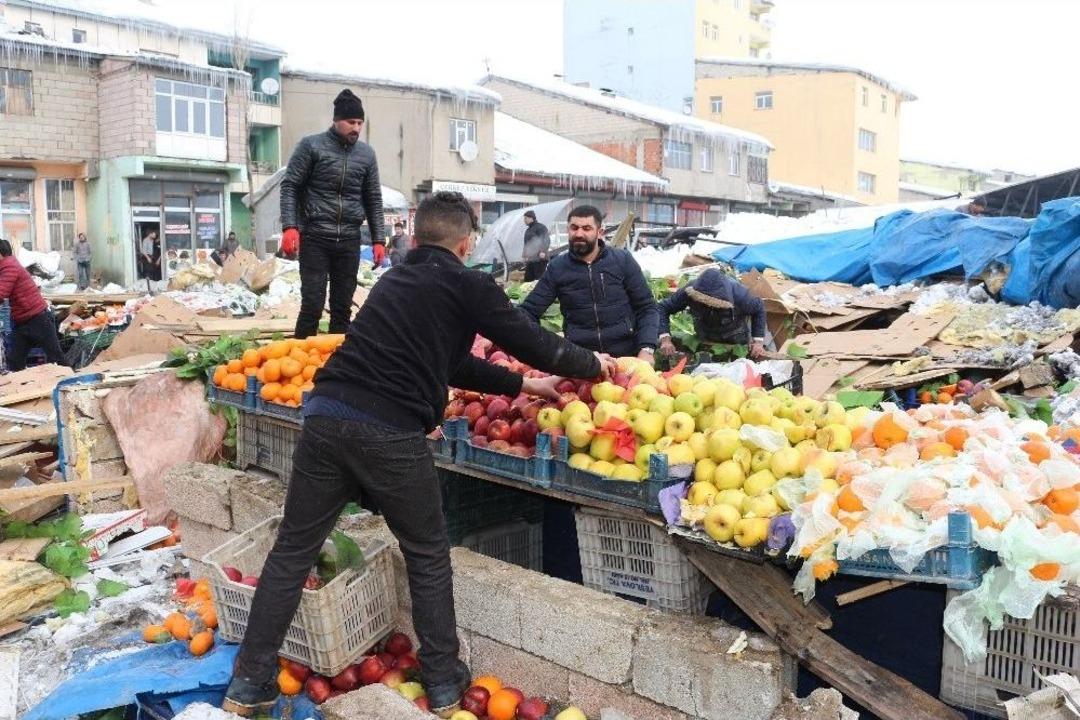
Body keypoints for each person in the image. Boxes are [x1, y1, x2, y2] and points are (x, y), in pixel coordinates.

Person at [221, 192, 613, 717]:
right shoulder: (468, 284)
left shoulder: (394, 282)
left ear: (419, 235)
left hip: (325, 416)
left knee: (293, 550)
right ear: (466, 243)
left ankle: (249, 683)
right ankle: (445, 685)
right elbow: (532, 340)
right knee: (427, 554)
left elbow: (452, 364)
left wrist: (526, 385)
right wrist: (592, 364)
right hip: (387, 429)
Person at [280, 88, 386, 338]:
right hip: (315, 237)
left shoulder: (367, 155)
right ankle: (298, 354)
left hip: (349, 239)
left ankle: (338, 357)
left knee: (342, 308)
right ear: (337, 120)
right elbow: (290, 185)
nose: (356, 128)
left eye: (359, 123)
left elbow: (373, 198)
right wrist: (290, 226)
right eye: (351, 122)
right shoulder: (311, 146)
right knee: (312, 305)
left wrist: (379, 239)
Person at [520, 205, 659, 362]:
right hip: (582, 360)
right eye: (574, 228)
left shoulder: (622, 261)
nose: (579, 234)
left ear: (600, 232)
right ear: (568, 230)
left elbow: (647, 307)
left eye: (587, 228)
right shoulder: (557, 268)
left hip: (625, 357)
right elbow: (529, 310)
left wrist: (646, 349)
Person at [658, 268, 769, 360]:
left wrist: (758, 342)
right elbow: (663, 307)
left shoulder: (740, 295)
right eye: (703, 303)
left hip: (735, 338)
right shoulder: (689, 291)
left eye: (714, 305)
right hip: (705, 337)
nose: (709, 307)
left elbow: (759, 309)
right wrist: (665, 339)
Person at [0, 239, 66, 370]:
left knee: (57, 358)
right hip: (23, 322)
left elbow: (1, 293)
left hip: (37, 319)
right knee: (14, 362)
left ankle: (75, 381)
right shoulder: (7, 267)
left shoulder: (9, 267)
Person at [521, 210, 550, 281]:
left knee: (538, 279)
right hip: (531, 259)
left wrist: (543, 251)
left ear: (531, 218)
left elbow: (546, 239)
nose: (524, 220)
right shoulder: (528, 230)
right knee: (528, 279)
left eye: (525, 218)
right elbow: (526, 244)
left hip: (540, 259)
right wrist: (524, 255)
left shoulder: (540, 227)